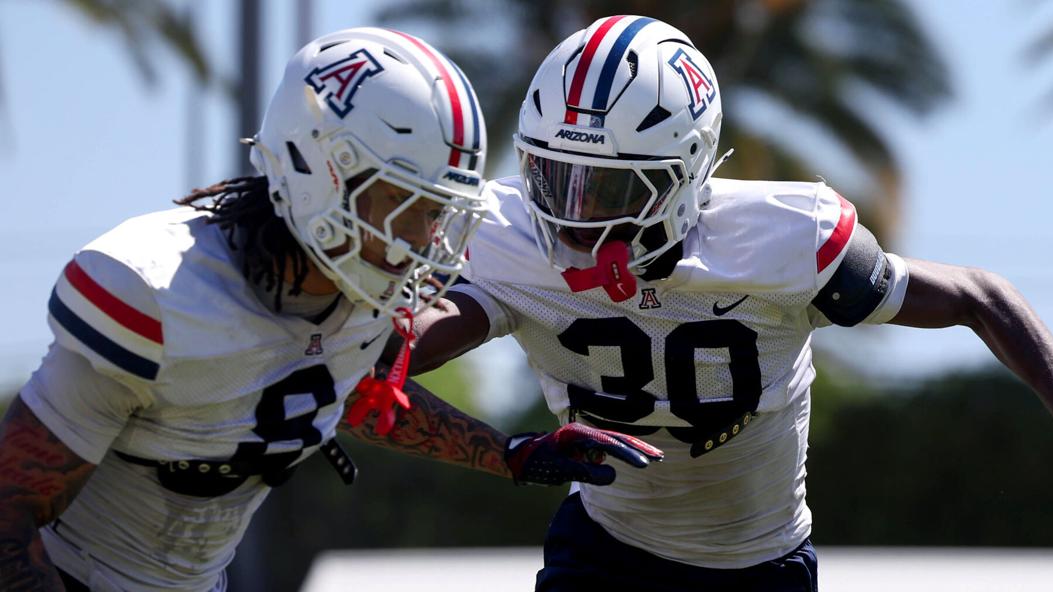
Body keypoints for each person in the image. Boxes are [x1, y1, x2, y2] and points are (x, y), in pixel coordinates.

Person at [406, 15, 1053, 591]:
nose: (574, 216)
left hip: (762, 569)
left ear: (685, 174)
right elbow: (398, 354)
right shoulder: (507, 238)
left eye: (607, 188)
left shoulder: (783, 240)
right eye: (553, 178)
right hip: (603, 555)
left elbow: (982, 297)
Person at [0, 27, 660, 592]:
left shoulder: (356, 296)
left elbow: (346, 393)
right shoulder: (154, 292)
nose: (429, 238)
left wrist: (512, 453)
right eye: (411, 203)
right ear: (322, 172)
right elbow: (9, 515)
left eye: (439, 211)